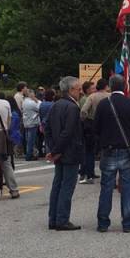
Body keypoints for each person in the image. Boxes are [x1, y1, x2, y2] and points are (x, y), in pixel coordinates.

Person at [93, 75, 130, 232]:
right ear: (124, 87)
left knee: (106, 187)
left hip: (108, 149)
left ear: (110, 86)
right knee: (126, 187)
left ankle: (103, 223)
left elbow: (96, 128)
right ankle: (127, 222)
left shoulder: (103, 104)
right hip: (126, 149)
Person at [45, 76, 84, 230]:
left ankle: (53, 218)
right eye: (78, 89)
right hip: (69, 152)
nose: (80, 92)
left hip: (59, 151)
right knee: (67, 186)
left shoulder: (56, 105)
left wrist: (53, 149)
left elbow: (47, 128)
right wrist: (56, 151)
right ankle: (62, 219)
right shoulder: (73, 108)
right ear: (71, 90)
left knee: (57, 185)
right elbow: (68, 133)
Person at [22, 89, 41, 161]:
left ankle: (29, 154)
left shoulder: (24, 101)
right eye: (33, 93)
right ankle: (29, 156)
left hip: (26, 122)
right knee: (31, 141)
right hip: (32, 123)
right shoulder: (31, 103)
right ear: (30, 94)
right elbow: (39, 107)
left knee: (28, 140)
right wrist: (36, 100)